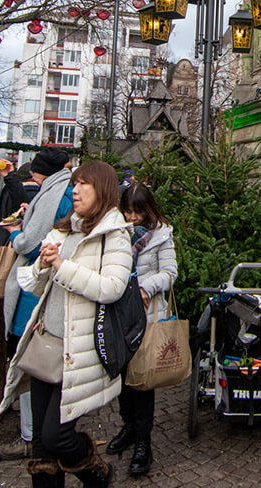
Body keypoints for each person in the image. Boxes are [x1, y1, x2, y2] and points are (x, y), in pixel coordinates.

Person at [0, 161, 131, 488]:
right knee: (42, 449)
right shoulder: (64, 227)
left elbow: (112, 288)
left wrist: (61, 266)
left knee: (56, 436)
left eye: (83, 184)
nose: (74, 190)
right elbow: (36, 284)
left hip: (79, 350)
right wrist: (43, 267)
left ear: (102, 189)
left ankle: (96, 474)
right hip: (47, 342)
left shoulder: (113, 235)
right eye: (73, 184)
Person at [0, 148, 73, 462]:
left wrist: (16, 233)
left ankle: (33, 436)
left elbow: (32, 242)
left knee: (30, 355)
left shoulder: (54, 194)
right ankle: (44, 433)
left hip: (36, 285)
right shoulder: (65, 191)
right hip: (51, 285)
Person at [106, 183, 177, 478]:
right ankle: (129, 427)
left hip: (146, 316)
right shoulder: (115, 232)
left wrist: (145, 286)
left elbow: (170, 273)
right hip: (118, 315)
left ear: (148, 210)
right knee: (122, 378)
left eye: (138, 212)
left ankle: (144, 443)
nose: (132, 217)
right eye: (128, 211)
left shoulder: (161, 235)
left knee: (142, 381)